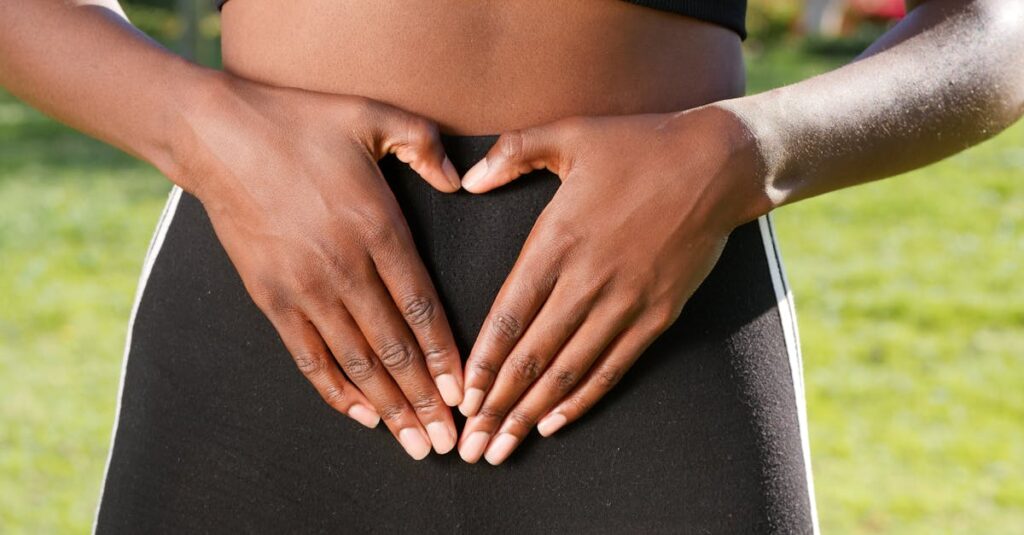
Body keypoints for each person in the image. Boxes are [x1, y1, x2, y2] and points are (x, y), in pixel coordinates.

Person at [1, 0, 1021, 532]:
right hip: (271, 321)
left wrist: (740, 154)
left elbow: (996, 26)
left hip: (658, 337)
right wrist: (205, 131)